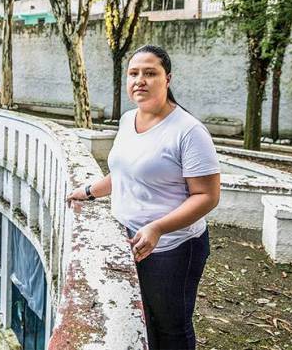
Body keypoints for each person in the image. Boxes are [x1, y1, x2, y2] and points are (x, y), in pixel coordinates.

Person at [67, 45, 220, 350]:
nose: (140, 80)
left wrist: (158, 227)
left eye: (150, 73)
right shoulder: (128, 120)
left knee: (171, 328)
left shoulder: (189, 131)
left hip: (173, 248)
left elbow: (207, 196)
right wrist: (87, 192)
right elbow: (126, 173)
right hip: (132, 241)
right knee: (144, 320)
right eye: (134, 73)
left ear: (168, 79)